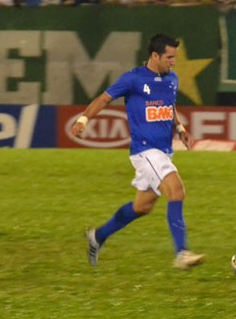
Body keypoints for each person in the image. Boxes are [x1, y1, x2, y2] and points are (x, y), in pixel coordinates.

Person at [71, 33, 205, 270]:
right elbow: (103, 99)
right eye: (170, 57)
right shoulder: (133, 79)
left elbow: (169, 106)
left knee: (142, 206)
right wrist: (83, 119)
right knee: (177, 191)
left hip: (163, 151)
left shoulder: (171, 79)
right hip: (145, 151)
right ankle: (181, 253)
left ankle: (98, 236)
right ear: (155, 55)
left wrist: (180, 128)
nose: (174, 62)